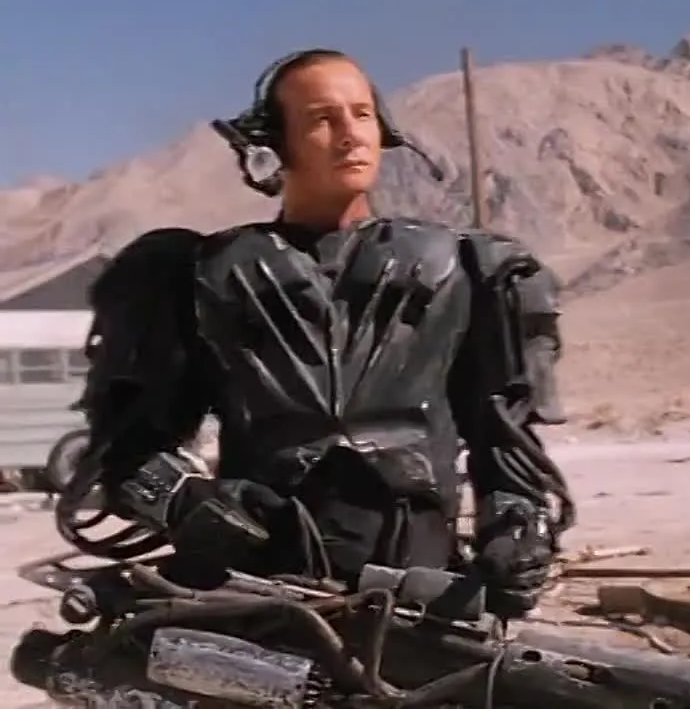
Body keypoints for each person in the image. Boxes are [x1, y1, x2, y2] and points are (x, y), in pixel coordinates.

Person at [55, 48, 575, 619]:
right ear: (275, 143)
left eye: (362, 114)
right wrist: (185, 502)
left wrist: (518, 531)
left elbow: (508, 450)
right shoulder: (197, 275)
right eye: (322, 119)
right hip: (251, 598)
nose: (350, 135)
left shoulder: (471, 271)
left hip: (420, 601)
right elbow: (127, 454)